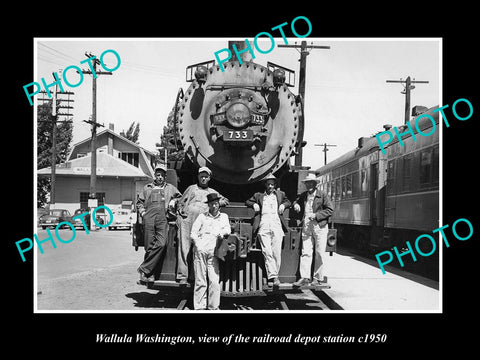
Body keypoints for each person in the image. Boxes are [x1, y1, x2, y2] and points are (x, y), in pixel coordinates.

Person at [176, 167, 229, 284]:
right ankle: (182, 275)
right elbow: (181, 202)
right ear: (198, 177)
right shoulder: (191, 188)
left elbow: (225, 200)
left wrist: (218, 203)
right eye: (201, 176)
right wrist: (179, 217)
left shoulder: (212, 192)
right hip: (187, 219)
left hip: (202, 222)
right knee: (184, 246)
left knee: (198, 247)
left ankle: (193, 276)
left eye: (206, 176)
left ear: (209, 178)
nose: (203, 178)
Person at [136, 164, 181, 282]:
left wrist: (173, 201)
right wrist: (143, 213)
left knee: (161, 244)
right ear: (155, 176)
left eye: (162, 175)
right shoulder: (147, 188)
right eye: (158, 175)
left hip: (163, 218)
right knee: (149, 246)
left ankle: (143, 269)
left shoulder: (170, 188)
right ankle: (149, 275)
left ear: (165, 176)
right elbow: (139, 202)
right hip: (148, 218)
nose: (160, 177)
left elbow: (180, 198)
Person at [245, 174, 291, 287]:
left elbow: (288, 202)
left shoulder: (280, 194)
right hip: (264, 225)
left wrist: (284, 205)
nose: (270, 186)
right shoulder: (259, 195)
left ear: (275, 185)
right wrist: (254, 204)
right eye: (268, 184)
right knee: (267, 251)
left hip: (276, 225)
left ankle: (274, 275)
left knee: (276, 253)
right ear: (265, 185)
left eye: (272, 184)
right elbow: (247, 201)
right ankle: (274, 277)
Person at [190, 193, 231, 310]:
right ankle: (199, 307)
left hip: (214, 251)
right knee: (200, 280)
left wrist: (222, 233)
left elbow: (227, 228)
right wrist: (198, 245)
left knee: (214, 280)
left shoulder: (224, 217)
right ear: (208, 205)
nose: (214, 206)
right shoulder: (202, 217)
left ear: (219, 205)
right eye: (212, 204)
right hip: (201, 251)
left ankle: (213, 307)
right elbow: (193, 232)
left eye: (216, 204)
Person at [292, 173, 334, 287]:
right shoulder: (304, 195)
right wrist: (296, 204)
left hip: (319, 226)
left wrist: (316, 215)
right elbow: (296, 201)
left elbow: (330, 209)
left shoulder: (323, 195)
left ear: (315, 184)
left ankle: (317, 278)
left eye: (311, 183)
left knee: (319, 253)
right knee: (305, 252)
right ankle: (304, 277)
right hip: (307, 226)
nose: (309, 185)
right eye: (307, 183)